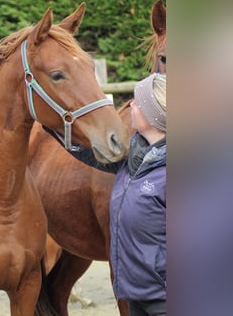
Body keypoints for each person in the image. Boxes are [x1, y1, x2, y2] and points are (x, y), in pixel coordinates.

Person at [44, 73, 166, 316]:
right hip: (135, 291)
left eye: (138, 102)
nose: (131, 105)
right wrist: (53, 122)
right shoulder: (131, 159)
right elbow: (86, 152)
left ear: (153, 116)